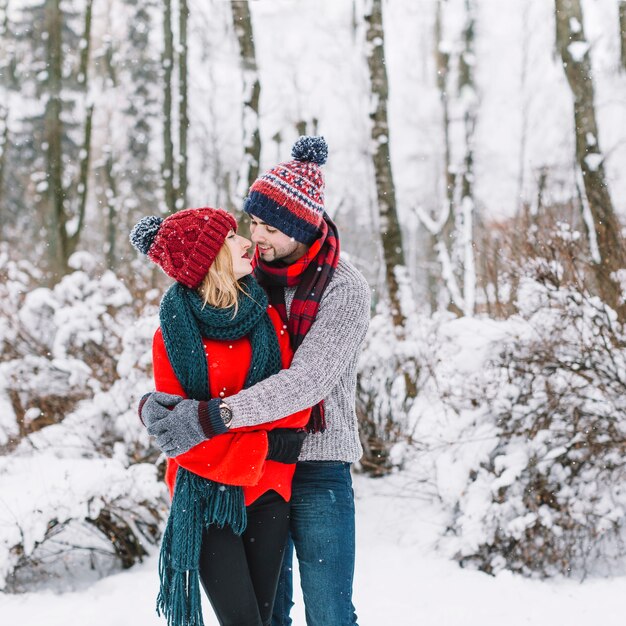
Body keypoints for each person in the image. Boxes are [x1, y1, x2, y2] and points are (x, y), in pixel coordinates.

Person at [140, 136, 371, 626]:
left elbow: (306, 382)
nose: (257, 236)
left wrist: (215, 417)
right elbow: (200, 345)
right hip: (250, 465)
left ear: (300, 228)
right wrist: (158, 408)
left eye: (269, 227)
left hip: (318, 462)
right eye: (252, 223)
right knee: (269, 615)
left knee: (330, 610)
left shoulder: (344, 289)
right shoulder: (249, 277)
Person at [130, 206, 311, 626]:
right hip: (206, 499)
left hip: (268, 492)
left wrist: (221, 428)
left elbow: (292, 404)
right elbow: (180, 436)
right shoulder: (171, 334)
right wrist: (263, 445)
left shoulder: (267, 320)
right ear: (207, 257)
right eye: (231, 237)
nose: (247, 241)